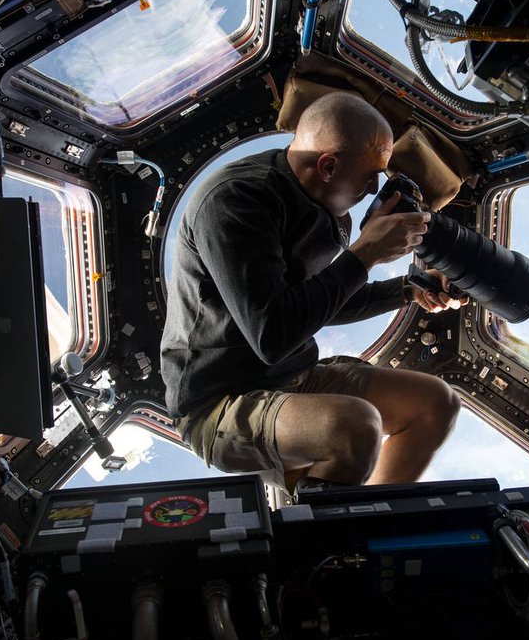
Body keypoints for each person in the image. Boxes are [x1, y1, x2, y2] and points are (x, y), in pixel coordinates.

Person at [160, 91, 462, 496]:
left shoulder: (326, 208)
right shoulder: (235, 201)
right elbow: (274, 335)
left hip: (294, 378)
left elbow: (318, 302)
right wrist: (365, 253)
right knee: (353, 428)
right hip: (220, 404)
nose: (374, 188)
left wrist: (406, 290)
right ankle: (320, 547)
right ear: (327, 165)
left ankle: (372, 520)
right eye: (371, 175)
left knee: (436, 404)